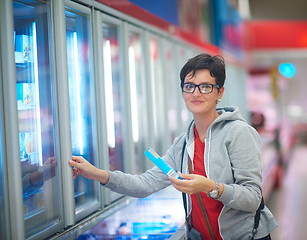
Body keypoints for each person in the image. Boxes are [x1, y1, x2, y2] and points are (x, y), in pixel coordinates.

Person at [69, 53, 278, 240]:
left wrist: (210, 187)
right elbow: (145, 184)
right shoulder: (184, 143)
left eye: (205, 87)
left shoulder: (238, 133)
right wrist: (98, 174)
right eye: (189, 86)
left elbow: (252, 197)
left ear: (219, 92)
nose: (196, 93)